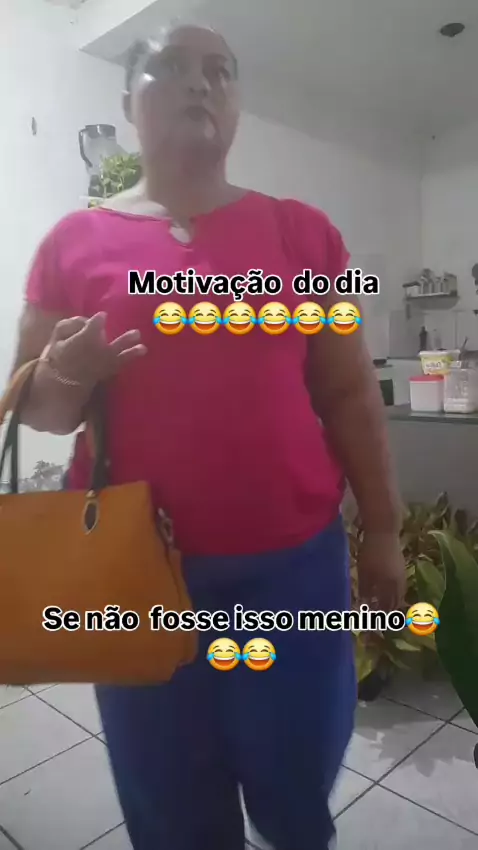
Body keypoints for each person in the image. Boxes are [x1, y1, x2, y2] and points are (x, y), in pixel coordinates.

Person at [12, 23, 405, 850]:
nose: (201, 83)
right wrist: (68, 372)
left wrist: (384, 530)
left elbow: (347, 394)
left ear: (236, 104)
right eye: (172, 67)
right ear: (128, 100)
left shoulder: (301, 235)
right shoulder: (72, 244)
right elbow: (36, 411)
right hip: (134, 573)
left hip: (293, 569)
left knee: (297, 783)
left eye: (220, 71)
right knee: (170, 801)